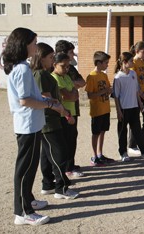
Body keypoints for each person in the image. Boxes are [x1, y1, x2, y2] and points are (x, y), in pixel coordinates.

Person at [3, 27, 62, 225]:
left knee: (30, 166)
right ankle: (23, 212)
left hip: (31, 124)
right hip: (27, 125)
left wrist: (48, 102)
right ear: (23, 44)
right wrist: (48, 104)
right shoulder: (22, 69)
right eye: (34, 43)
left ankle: (28, 200)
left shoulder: (22, 66)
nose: (36, 47)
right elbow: (25, 100)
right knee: (25, 169)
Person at [31, 43, 79, 200]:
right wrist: (64, 111)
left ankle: (48, 184)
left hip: (50, 119)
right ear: (41, 57)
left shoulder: (44, 74)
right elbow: (47, 98)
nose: (52, 60)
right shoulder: (40, 74)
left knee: (47, 153)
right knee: (59, 152)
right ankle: (61, 188)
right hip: (48, 120)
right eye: (51, 57)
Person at [113, 52, 144, 161]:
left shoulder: (133, 74)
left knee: (137, 130)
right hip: (124, 108)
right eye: (130, 61)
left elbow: (136, 90)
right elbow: (116, 96)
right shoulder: (118, 78)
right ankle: (123, 152)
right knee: (122, 131)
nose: (132, 63)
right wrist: (118, 111)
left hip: (134, 107)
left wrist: (140, 102)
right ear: (124, 62)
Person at [55, 40, 85, 175]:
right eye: (71, 52)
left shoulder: (70, 69)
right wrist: (72, 88)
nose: (73, 55)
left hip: (73, 109)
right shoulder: (54, 72)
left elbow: (82, 82)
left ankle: (70, 164)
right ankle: (65, 168)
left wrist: (71, 84)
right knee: (63, 141)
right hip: (62, 112)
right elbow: (67, 95)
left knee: (72, 137)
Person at [50, 53, 82, 176]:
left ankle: (69, 166)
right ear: (55, 65)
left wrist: (72, 93)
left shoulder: (67, 77)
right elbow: (68, 96)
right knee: (63, 145)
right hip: (63, 116)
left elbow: (75, 95)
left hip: (72, 114)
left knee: (71, 142)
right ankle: (62, 170)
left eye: (68, 66)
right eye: (63, 66)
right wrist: (72, 93)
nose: (66, 69)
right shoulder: (55, 78)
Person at [84, 51, 116, 166]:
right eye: (106, 63)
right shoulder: (91, 77)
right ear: (98, 63)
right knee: (96, 133)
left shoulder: (104, 75)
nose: (107, 65)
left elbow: (107, 89)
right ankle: (93, 156)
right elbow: (90, 95)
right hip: (97, 110)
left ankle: (100, 154)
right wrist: (104, 91)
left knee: (103, 132)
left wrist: (110, 90)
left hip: (105, 109)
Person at [128, 41, 144, 155]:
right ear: (137, 51)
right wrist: (141, 95)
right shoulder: (132, 63)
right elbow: (134, 81)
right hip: (135, 96)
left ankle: (141, 143)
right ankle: (132, 145)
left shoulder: (143, 63)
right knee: (135, 121)